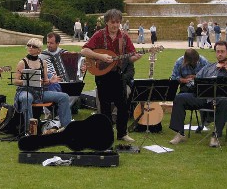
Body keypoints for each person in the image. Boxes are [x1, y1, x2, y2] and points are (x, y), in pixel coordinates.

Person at [81, 9, 142, 142]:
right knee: (105, 107)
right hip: (102, 75)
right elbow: (84, 50)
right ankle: (106, 134)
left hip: (117, 75)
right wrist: (100, 56)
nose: (115, 25)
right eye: (112, 22)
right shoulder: (99, 35)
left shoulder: (124, 37)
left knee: (123, 106)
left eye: (118, 22)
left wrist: (137, 57)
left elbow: (130, 57)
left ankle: (122, 133)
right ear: (107, 22)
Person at [169, 41, 227, 147]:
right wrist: (190, 82)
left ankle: (215, 136)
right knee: (179, 98)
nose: (220, 54)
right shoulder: (209, 67)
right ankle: (180, 133)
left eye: (222, 51)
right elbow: (195, 82)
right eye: (218, 51)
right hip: (203, 98)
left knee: (226, 101)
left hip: (219, 100)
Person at [13, 38, 72, 132]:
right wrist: (28, 81)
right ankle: (30, 130)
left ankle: (67, 127)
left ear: (39, 50)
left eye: (34, 46)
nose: (30, 48)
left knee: (64, 96)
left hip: (39, 92)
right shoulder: (22, 63)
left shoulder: (42, 63)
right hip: (25, 91)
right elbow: (15, 81)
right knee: (26, 98)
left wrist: (50, 81)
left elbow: (44, 81)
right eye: (29, 45)